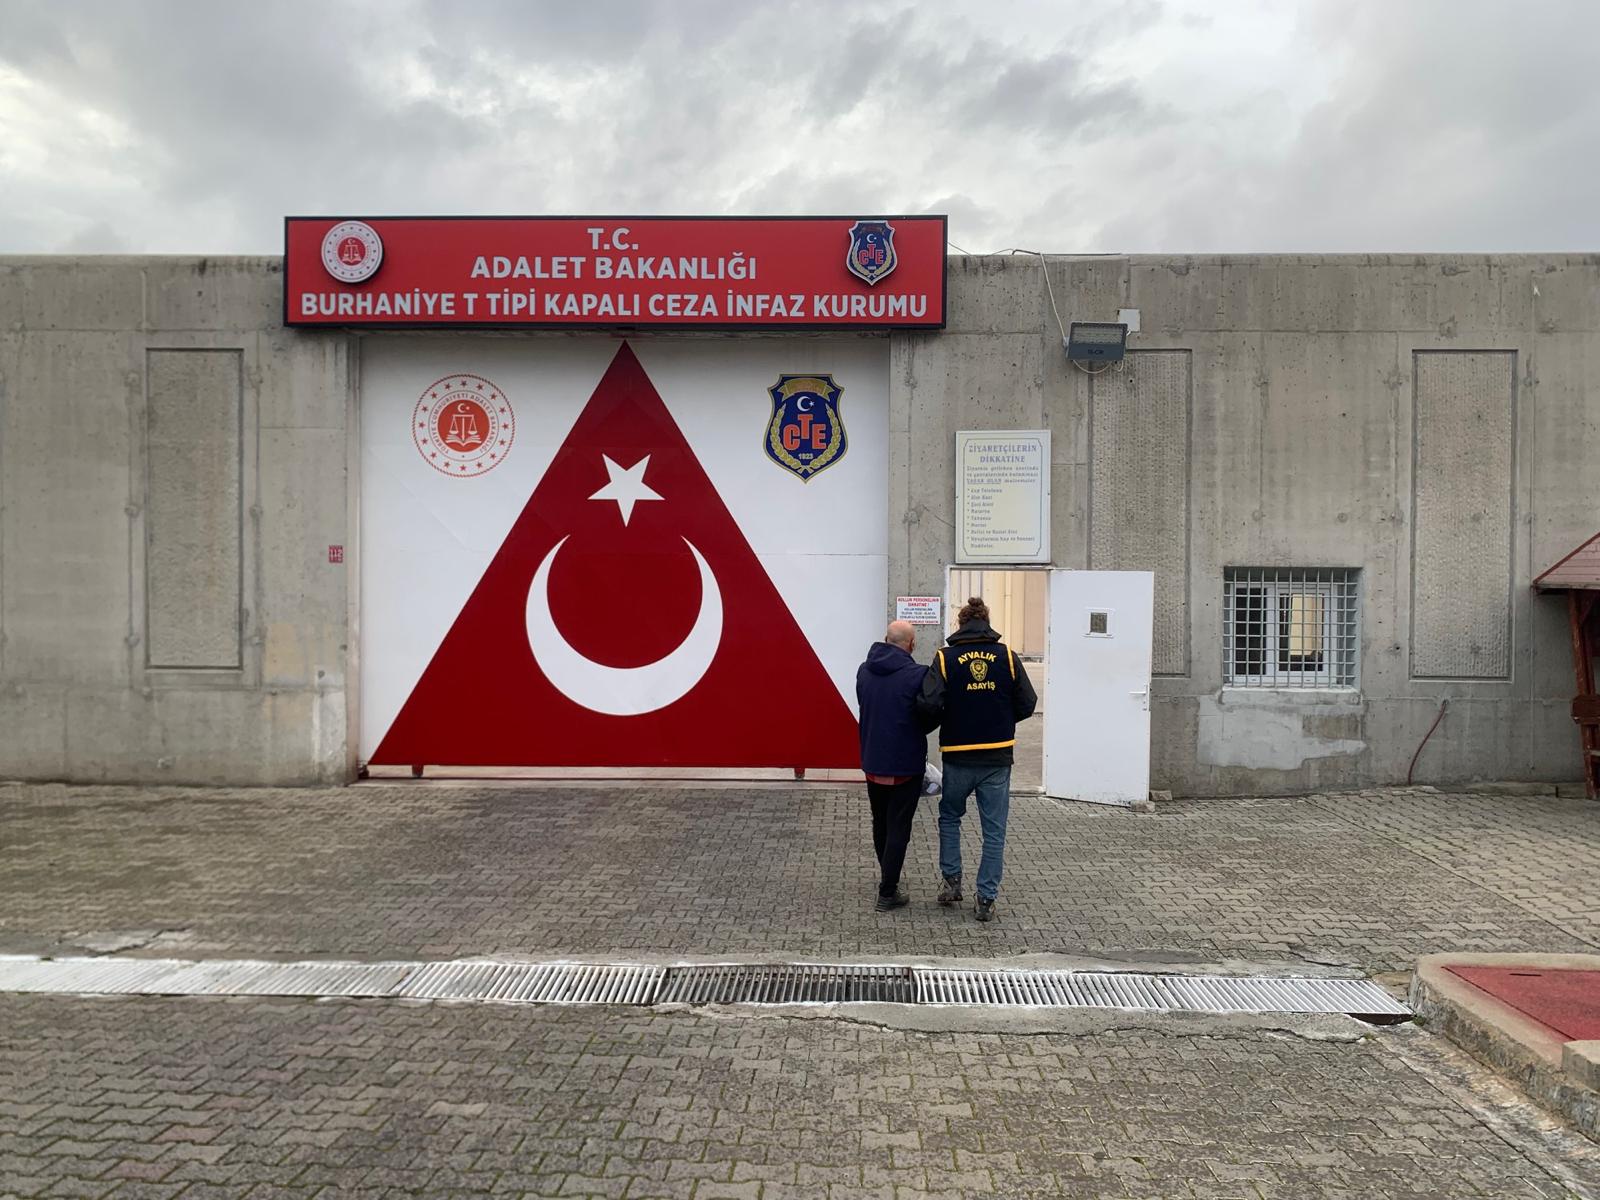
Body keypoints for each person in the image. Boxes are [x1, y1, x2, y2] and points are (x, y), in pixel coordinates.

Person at [916, 597, 1036, 922]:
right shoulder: (1007, 657)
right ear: (987, 621)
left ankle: (952, 882)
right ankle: (985, 898)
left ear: (960, 623)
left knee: (950, 817)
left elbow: (928, 704)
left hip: (958, 755)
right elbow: (1028, 702)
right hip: (997, 757)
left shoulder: (944, 659)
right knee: (994, 831)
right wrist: (1000, 718)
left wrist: (949, 716)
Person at [854, 619, 933, 912]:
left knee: (880, 822)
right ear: (911, 644)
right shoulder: (918, 674)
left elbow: (865, 703)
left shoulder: (864, 670)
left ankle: (889, 876)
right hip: (905, 764)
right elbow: (928, 713)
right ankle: (887, 891)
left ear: (885, 639)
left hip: (873, 760)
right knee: (899, 827)